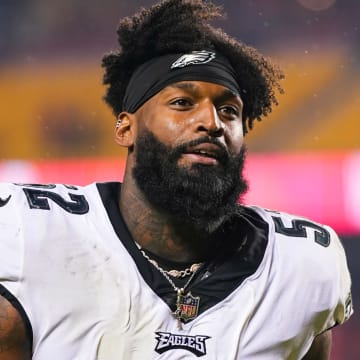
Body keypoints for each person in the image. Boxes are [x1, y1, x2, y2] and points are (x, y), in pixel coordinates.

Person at [0, 0, 353, 359]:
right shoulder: (33, 237)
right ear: (125, 128)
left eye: (229, 111)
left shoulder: (303, 266)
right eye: (183, 102)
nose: (212, 122)